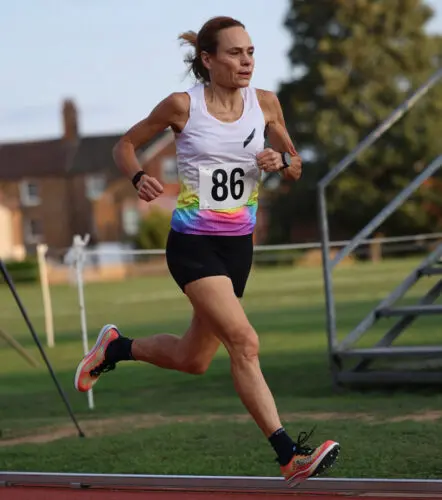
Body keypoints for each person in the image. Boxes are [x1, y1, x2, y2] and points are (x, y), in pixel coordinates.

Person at [74, 15, 340, 486]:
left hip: (238, 250)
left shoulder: (266, 104)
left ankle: (116, 347)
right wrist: (138, 176)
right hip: (193, 246)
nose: (246, 61)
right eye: (235, 53)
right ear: (208, 59)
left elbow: (296, 165)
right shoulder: (183, 106)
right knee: (245, 342)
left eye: (251, 52)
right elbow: (125, 146)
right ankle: (289, 455)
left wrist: (281, 160)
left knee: (192, 359)